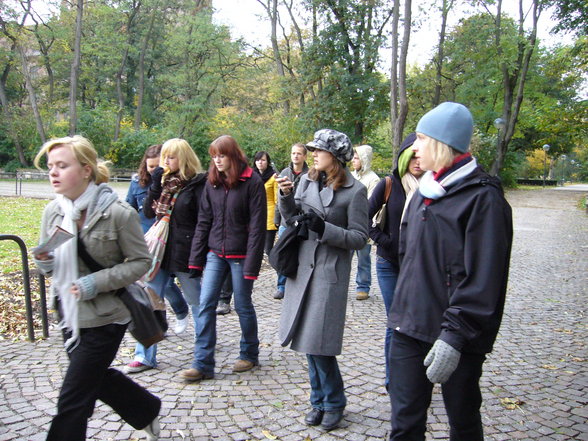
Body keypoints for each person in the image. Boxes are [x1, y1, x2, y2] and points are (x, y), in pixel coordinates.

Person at [387, 102, 513, 440]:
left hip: (456, 337)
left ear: (443, 144)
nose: (415, 146)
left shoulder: (483, 200)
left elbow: (485, 281)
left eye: (423, 138)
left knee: (462, 420)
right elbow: (408, 258)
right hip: (408, 327)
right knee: (404, 424)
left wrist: (454, 336)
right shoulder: (423, 192)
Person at [33, 135, 161, 441]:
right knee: (95, 379)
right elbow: (50, 266)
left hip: (107, 316)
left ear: (87, 169)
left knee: (73, 398)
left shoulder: (118, 213)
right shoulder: (53, 211)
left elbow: (141, 262)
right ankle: (146, 409)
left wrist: (94, 283)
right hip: (69, 314)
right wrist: (45, 260)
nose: (53, 172)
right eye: (51, 166)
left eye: (62, 165)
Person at [277, 129, 368, 431]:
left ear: (336, 157)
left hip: (329, 272)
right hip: (302, 268)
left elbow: (359, 237)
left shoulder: (355, 191)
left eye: (320, 150)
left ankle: (334, 402)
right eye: (313, 149)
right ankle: (318, 400)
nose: (314, 154)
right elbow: (291, 219)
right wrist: (287, 196)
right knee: (307, 342)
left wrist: (325, 228)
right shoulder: (308, 179)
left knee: (321, 344)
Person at [183, 135, 266, 381]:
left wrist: (252, 265)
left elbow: (257, 227)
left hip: (241, 255)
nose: (217, 161)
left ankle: (249, 353)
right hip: (215, 254)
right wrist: (196, 260)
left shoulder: (252, 182)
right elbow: (204, 222)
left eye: (221, 155)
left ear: (233, 156)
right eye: (213, 156)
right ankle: (202, 363)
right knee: (206, 304)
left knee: (242, 305)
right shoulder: (212, 183)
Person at [125, 138, 207, 374]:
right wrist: (154, 183)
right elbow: (150, 211)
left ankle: (203, 354)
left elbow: (203, 221)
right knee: (150, 301)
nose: (166, 161)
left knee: (197, 303)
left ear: (183, 158)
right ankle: (144, 356)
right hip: (159, 250)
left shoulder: (197, 183)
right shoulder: (163, 181)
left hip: (185, 252)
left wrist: (198, 254)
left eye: (171, 157)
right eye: (165, 157)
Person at [368, 133, 423, 389]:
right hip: (389, 264)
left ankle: (417, 376)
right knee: (396, 321)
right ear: (402, 156)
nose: (417, 161)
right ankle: (394, 379)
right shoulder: (389, 183)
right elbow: (363, 219)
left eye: (420, 154)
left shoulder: (434, 186)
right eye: (410, 155)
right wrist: (384, 239)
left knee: (419, 321)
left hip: (420, 266)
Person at [125, 144, 189, 337]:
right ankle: (150, 342)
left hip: (169, 241)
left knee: (168, 285)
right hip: (146, 240)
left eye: (156, 165)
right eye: (150, 166)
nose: (154, 169)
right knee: (151, 288)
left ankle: (181, 311)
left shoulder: (171, 181)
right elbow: (130, 207)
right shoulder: (138, 183)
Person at [273, 143, 309, 299]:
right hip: (285, 223)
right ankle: (281, 286)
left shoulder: (310, 174)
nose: (295, 156)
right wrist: (276, 218)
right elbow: (278, 199)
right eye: (293, 153)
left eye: (299, 153)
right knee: (283, 255)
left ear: (304, 156)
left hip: (302, 222)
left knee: (301, 255)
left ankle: (299, 285)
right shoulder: (285, 172)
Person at [350, 145, 380, 301]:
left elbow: (371, 204)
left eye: (356, 158)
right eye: (353, 158)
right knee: (344, 257)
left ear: (364, 159)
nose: (354, 161)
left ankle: (363, 286)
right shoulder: (350, 176)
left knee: (363, 258)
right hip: (347, 224)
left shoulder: (373, 179)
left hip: (363, 224)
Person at [253, 150, 279, 256]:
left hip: (269, 217)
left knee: (268, 250)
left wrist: (277, 218)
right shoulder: (252, 177)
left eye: (263, 160)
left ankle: (279, 270)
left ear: (267, 162)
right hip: (255, 215)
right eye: (258, 160)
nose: (260, 162)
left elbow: (277, 200)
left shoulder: (274, 177)